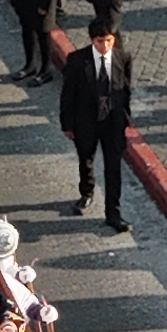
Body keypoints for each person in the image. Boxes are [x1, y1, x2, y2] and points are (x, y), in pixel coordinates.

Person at [59, 16, 133, 232]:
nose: (105, 46)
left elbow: (125, 89)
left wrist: (125, 119)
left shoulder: (123, 57)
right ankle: (87, 191)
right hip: (86, 122)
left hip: (112, 122)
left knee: (114, 167)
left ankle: (113, 212)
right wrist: (67, 124)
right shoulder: (77, 60)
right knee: (86, 158)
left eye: (109, 41)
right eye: (101, 41)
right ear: (92, 40)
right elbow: (68, 95)